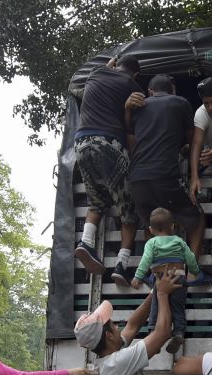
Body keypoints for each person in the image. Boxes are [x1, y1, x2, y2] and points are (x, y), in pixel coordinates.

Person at [119, 74, 206, 282]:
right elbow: (189, 139)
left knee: (151, 224)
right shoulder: (181, 103)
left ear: (149, 92)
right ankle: (192, 271)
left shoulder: (137, 107)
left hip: (137, 179)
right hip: (165, 175)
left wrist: (127, 110)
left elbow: (130, 141)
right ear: (173, 88)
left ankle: (156, 275)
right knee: (198, 217)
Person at [72, 55, 145, 279]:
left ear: (116, 65)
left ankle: (86, 241)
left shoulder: (95, 73)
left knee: (96, 200)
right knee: (127, 208)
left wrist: (108, 64)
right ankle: (122, 265)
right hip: (109, 143)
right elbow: (132, 124)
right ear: (136, 74)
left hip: (81, 143)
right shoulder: (131, 85)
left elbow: (105, 68)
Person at [130, 207, 200, 354]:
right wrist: (195, 272)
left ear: (150, 229)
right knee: (177, 307)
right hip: (178, 278)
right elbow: (191, 258)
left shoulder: (152, 243)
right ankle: (179, 333)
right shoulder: (179, 241)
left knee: (156, 305)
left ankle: (152, 333)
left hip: (160, 279)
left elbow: (146, 260)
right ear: (172, 226)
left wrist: (138, 276)